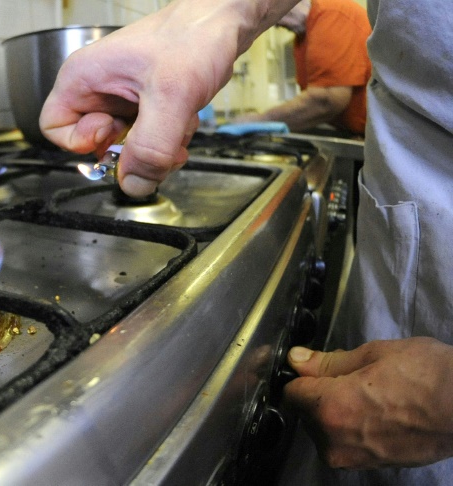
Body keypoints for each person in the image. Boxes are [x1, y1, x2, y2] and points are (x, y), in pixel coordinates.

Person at [39, 0, 453, 484]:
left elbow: (331, 98)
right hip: (407, 254)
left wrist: (442, 399)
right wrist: (209, 18)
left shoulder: (335, 15)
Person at [235, 0, 372, 137]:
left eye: (269, 15)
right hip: (356, 134)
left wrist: (261, 120)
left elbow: (325, 100)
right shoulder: (303, 35)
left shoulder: (330, 14)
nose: (275, 25)